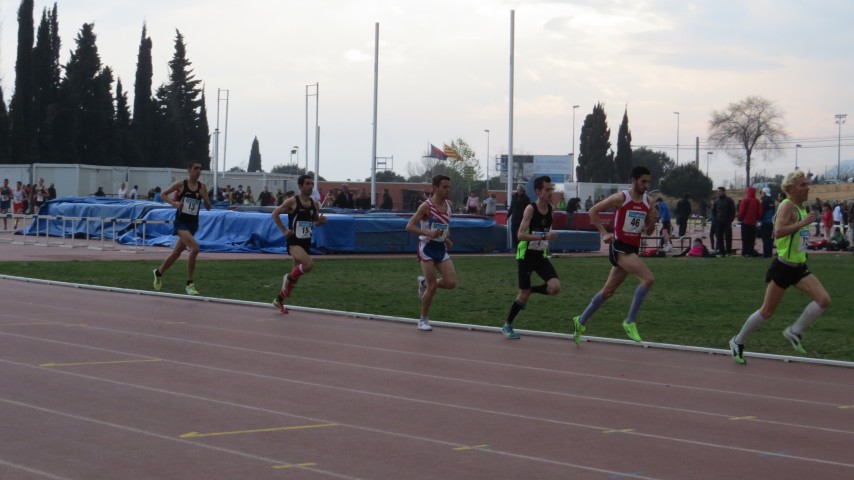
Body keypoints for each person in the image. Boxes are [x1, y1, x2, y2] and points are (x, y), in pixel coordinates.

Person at [729, 170, 830, 365]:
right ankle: (737, 340)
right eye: (802, 185)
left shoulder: (801, 207)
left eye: (807, 184)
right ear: (791, 189)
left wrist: (803, 227)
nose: (807, 188)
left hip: (799, 267)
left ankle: (794, 331)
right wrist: (803, 223)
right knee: (766, 312)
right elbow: (779, 232)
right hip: (783, 267)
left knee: (824, 300)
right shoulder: (787, 206)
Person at [571, 166, 658, 345]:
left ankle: (580, 321)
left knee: (608, 292)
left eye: (648, 181)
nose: (646, 185)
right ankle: (630, 321)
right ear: (633, 180)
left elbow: (648, 232)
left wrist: (653, 221)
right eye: (643, 181)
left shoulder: (648, 202)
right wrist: (604, 233)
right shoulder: (621, 198)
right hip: (619, 249)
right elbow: (592, 211)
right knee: (648, 279)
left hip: (632, 250)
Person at [502, 176, 561, 339]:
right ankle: (507, 325)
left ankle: (530, 290)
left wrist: (545, 240)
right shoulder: (530, 209)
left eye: (552, 189)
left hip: (540, 256)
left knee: (555, 287)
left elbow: (545, 232)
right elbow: (520, 235)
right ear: (538, 191)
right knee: (522, 295)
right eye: (547, 190)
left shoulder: (551, 208)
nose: (551, 193)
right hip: (525, 256)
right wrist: (543, 237)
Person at [406, 174, 458, 331]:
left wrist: (446, 238)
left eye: (449, 186)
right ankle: (423, 319)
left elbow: (443, 226)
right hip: (427, 247)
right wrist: (428, 233)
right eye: (444, 187)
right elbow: (409, 226)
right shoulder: (426, 206)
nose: (447, 190)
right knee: (433, 286)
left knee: (451, 283)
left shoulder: (449, 205)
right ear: (435, 188)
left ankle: (422, 283)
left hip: (440, 248)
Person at [152, 161, 212, 296]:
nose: (199, 171)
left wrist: (204, 197)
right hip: (181, 222)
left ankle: (158, 272)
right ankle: (189, 284)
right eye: (196, 168)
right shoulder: (181, 184)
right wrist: (174, 203)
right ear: (189, 170)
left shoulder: (202, 187)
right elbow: (163, 194)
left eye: (200, 169)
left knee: (176, 254)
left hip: (193, 224)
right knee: (195, 249)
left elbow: (208, 207)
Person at [271, 174, 328, 313]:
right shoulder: (292, 201)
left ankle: (278, 300)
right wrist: (284, 230)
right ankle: (288, 277)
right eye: (307, 184)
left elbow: (314, 221)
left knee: (294, 281)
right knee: (308, 265)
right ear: (300, 186)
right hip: (294, 242)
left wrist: (320, 222)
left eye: (311, 184)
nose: (310, 186)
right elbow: (275, 213)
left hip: (305, 242)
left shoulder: (314, 204)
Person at [737, 187, 762, 257]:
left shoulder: (745, 200)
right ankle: (750, 251)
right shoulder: (757, 201)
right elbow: (760, 212)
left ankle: (744, 252)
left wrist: (739, 218)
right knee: (752, 239)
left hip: (745, 222)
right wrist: (756, 218)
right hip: (753, 223)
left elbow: (741, 212)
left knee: (745, 238)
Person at [712, 187, 736, 256]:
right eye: (718, 191)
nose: (718, 193)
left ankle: (728, 251)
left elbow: (733, 210)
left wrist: (731, 219)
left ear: (723, 191)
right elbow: (713, 211)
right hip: (719, 221)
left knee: (728, 237)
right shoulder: (716, 201)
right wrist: (715, 219)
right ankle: (722, 252)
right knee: (719, 237)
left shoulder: (729, 200)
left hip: (727, 221)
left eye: (719, 191)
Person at [759, 187, 776, 258]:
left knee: (765, 239)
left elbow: (761, 212)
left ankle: (766, 254)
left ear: (764, 193)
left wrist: (759, 219)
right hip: (771, 223)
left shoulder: (764, 201)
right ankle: (769, 253)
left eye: (761, 193)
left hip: (765, 222)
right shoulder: (772, 201)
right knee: (770, 239)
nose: (761, 194)